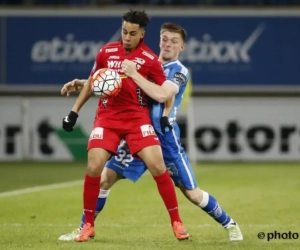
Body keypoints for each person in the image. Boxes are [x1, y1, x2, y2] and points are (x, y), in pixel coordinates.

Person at [59, 22, 243, 242]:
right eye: (165, 39)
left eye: (174, 41)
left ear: (182, 47)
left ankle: (230, 224)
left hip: (165, 140)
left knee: (192, 194)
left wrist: (135, 74)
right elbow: (117, 83)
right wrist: (83, 83)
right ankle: (84, 227)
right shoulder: (146, 62)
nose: (168, 44)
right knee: (105, 179)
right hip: (139, 133)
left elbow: (163, 94)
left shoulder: (179, 71)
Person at [61, 10, 189, 242]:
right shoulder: (106, 52)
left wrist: (165, 116)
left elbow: (166, 92)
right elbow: (93, 81)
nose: (127, 37)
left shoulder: (150, 60)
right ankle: (87, 225)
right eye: (124, 31)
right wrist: (74, 112)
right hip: (108, 118)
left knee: (158, 165)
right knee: (94, 166)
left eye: (132, 33)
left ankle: (177, 222)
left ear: (142, 33)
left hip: (136, 119)